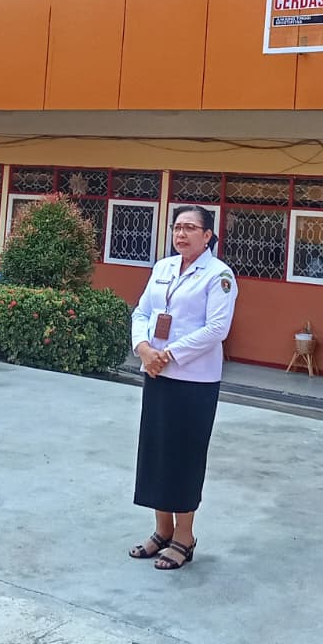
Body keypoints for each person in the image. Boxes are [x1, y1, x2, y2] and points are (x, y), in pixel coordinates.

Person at [127, 204, 237, 571]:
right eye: (177, 227)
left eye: (190, 227)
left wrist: (169, 354)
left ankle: (184, 537)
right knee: (156, 451)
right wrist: (144, 348)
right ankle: (162, 531)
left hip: (194, 380)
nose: (181, 233)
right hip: (157, 373)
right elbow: (142, 313)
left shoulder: (219, 275)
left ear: (207, 236)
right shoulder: (163, 268)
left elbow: (216, 329)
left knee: (184, 455)